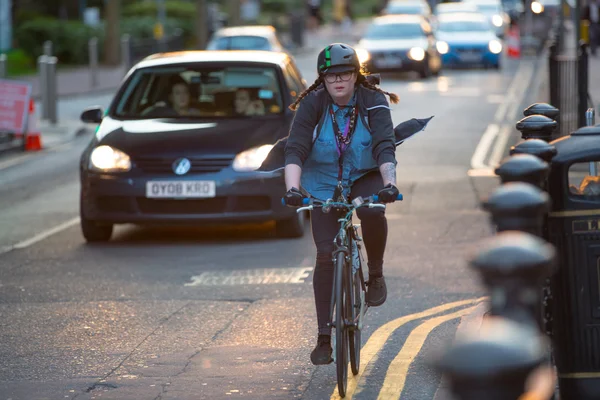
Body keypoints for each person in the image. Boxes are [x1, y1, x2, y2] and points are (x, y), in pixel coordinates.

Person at [281, 43, 400, 365]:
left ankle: (375, 273)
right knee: (324, 255)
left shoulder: (373, 100)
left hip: (364, 173)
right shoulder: (313, 103)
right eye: (330, 75)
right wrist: (293, 190)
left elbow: (385, 145)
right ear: (322, 79)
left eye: (344, 74)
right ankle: (323, 338)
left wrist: (389, 183)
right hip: (322, 181)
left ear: (356, 75)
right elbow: (295, 148)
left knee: (371, 209)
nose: (337, 81)